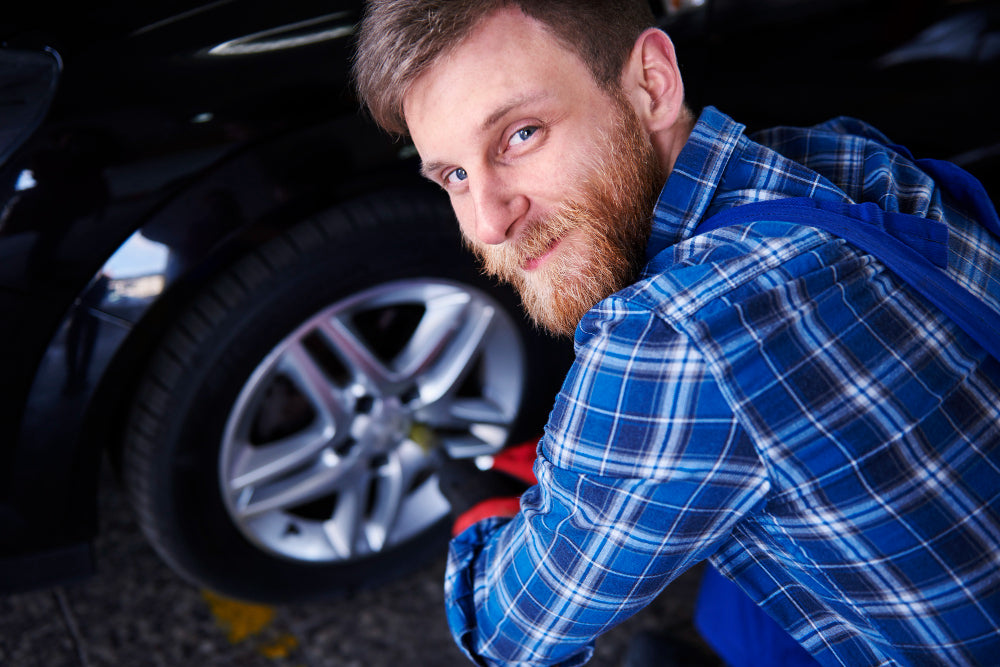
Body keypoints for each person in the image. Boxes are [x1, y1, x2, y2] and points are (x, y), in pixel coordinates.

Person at [352, 1, 1000, 665]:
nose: (489, 222)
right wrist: (604, 460)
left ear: (653, 84)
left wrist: (486, 513)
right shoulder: (835, 156)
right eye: (455, 175)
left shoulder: (671, 334)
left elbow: (507, 633)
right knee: (730, 603)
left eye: (520, 135)